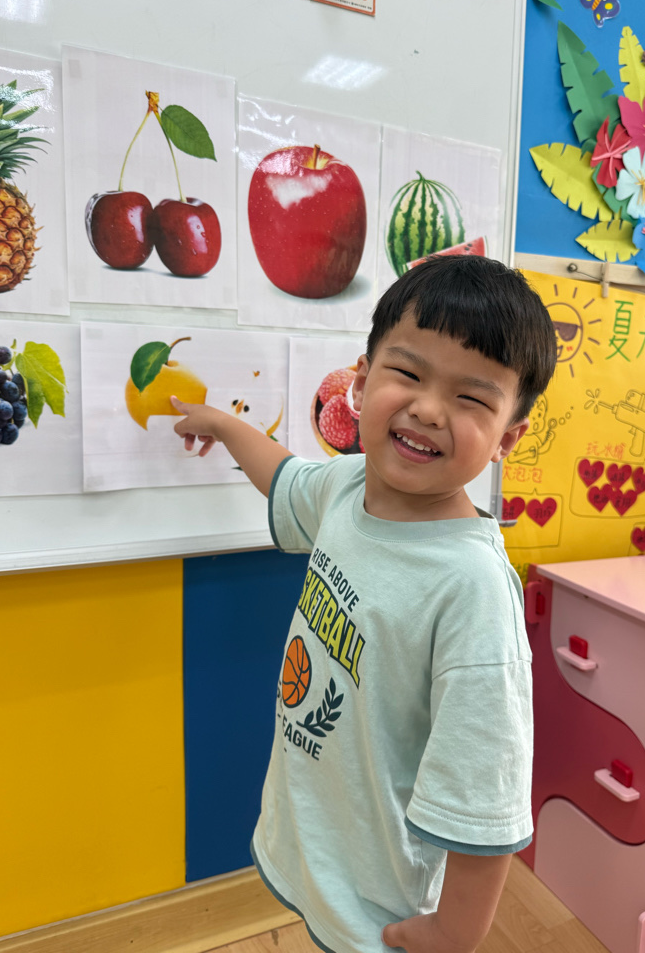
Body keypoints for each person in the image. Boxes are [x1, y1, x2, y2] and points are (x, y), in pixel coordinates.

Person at [171, 254, 557, 953]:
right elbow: (285, 476)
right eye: (408, 373)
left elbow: (485, 793)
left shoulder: (470, 588)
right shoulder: (349, 487)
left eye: (471, 399)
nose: (428, 409)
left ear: (507, 438)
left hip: (381, 904)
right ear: (361, 380)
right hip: (314, 841)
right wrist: (224, 426)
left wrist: (454, 933)